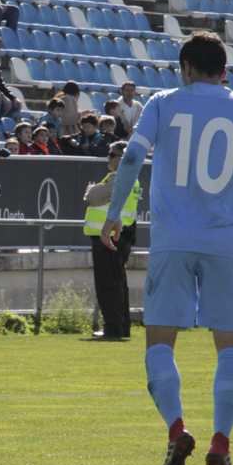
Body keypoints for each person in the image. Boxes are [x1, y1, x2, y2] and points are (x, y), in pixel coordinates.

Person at [99, 31, 233, 465]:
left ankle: (177, 431)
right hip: (224, 243)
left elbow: (129, 161)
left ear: (184, 69)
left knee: (159, 344)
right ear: (225, 71)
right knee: (231, 349)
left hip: (171, 242)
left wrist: (114, 215)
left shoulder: (162, 103)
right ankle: (221, 443)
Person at [84, 140, 138, 340]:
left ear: (123, 159)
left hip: (107, 237)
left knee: (108, 284)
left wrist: (94, 189)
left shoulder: (117, 178)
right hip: (121, 236)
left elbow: (92, 197)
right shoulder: (132, 178)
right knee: (119, 282)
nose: (108, 157)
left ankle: (113, 329)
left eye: (112, 154)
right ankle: (122, 327)